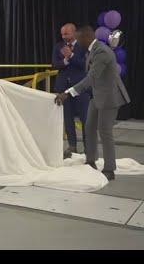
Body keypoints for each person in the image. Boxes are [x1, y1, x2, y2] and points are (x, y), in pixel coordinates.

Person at [55, 25, 131, 181]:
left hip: (110, 96)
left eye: (78, 37)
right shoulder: (92, 49)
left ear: (85, 38)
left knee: (105, 131)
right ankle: (91, 160)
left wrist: (68, 93)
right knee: (89, 127)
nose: (76, 40)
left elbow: (91, 77)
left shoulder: (102, 51)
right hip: (97, 95)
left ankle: (110, 169)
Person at [51, 23, 90, 158]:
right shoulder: (58, 46)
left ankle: (88, 148)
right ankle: (72, 146)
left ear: (74, 32)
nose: (64, 36)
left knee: (85, 119)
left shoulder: (83, 46)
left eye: (66, 34)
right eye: (62, 34)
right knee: (67, 119)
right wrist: (66, 60)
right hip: (63, 89)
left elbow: (85, 66)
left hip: (81, 88)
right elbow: (54, 64)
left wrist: (72, 56)